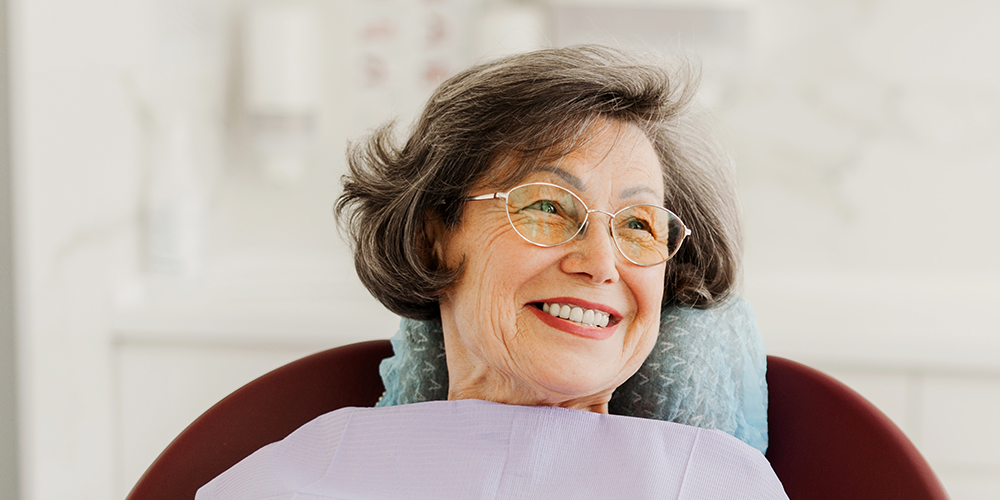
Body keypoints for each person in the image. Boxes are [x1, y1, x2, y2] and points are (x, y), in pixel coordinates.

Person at [199, 46, 786, 499]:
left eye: (638, 226)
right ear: (435, 239)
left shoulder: (718, 483)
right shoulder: (298, 480)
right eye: (549, 208)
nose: (601, 264)